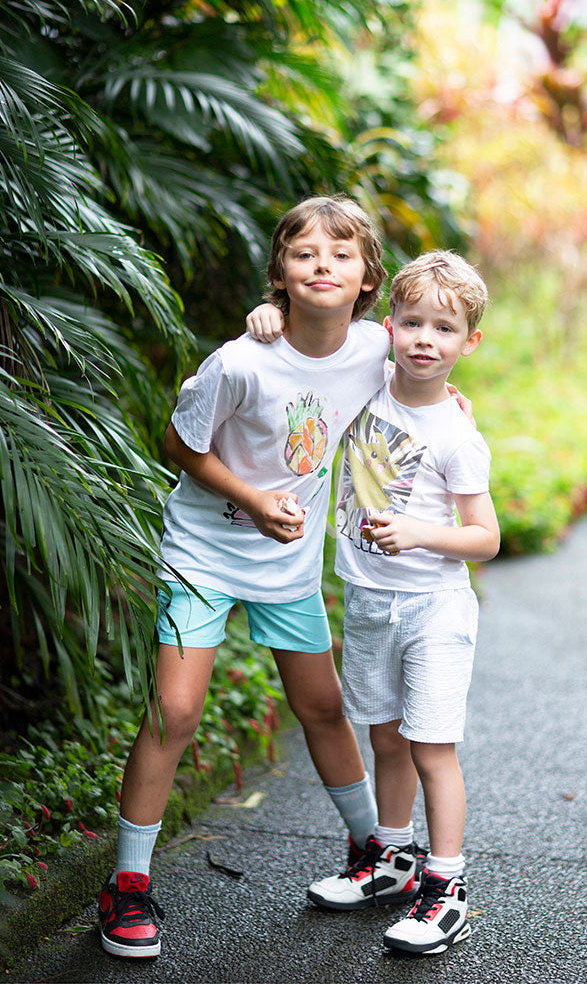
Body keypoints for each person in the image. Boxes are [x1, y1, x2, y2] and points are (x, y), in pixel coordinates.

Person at [99, 195, 392, 959]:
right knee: (176, 707)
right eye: (304, 254)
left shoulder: (373, 351)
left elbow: (429, 347)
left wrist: (441, 398)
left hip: (286, 565)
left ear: (367, 279)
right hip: (203, 550)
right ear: (280, 276)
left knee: (322, 707)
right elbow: (178, 439)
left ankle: (374, 852)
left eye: (341, 254)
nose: (322, 264)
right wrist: (254, 498)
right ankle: (127, 885)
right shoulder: (240, 360)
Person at [247, 251, 500, 955]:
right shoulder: (364, 385)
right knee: (384, 736)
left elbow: (485, 538)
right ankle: (391, 858)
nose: (425, 338)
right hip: (368, 602)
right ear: (387, 326)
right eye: (412, 322)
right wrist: (269, 317)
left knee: (431, 745)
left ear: (468, 343)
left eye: (444, 329)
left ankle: (445, 883)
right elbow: (307, 353)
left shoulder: (457, 434)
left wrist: (423, 531)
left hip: (434, 608)